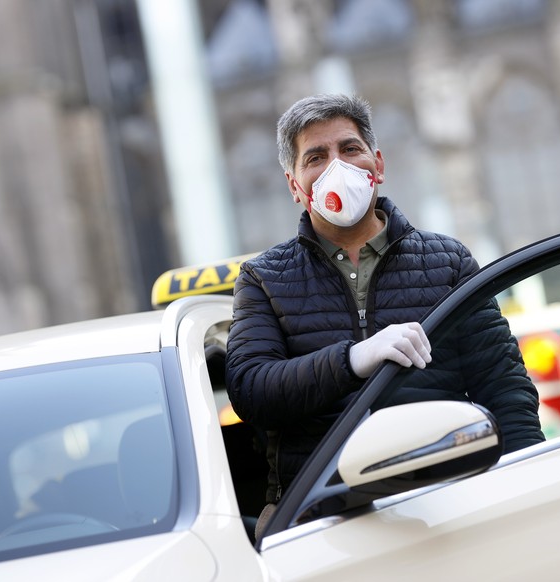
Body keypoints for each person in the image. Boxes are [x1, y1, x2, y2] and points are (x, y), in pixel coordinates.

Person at [225, 94, 543, 536]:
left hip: (447, 504)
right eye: (316, 156)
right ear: (295, 186)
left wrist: (528, 488)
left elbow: (505, 388)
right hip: (318, 521)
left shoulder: (447, 262)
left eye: (349, 149)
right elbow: (251, 389)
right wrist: (352, 360)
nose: (338, 166)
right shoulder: (263, 279)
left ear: (377, 164)